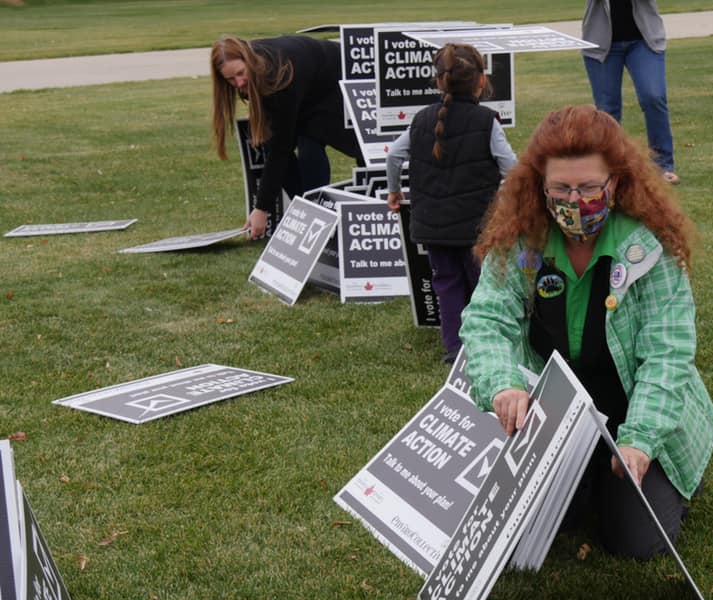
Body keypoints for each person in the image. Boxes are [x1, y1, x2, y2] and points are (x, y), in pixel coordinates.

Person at [459, 105, 713, 560]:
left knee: (637, 545)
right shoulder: (522, 243)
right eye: (561, 188)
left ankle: (656, 473)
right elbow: (486, 321)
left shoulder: (649, 247)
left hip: (632, 408)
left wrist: (639, 439)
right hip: (558, 415)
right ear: (540, 185)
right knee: (552, 521)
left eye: (590, 187)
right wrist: (503, 384)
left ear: (616, 182)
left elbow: (667, 355)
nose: (575, 200)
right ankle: (587, 476)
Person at [386, 43, 516, 364]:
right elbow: (511, 167)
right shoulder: (486, 122)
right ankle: (484, 341)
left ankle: (455, 350)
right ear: (481, 81)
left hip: (432, 226)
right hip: (476, 226)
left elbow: (394, 155)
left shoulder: (421, 120)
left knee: (446, 284)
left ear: (439, 81)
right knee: (482, 284)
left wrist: (394, 192)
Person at [211, 35, 363, 239]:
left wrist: (261, 208)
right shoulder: (258, 75)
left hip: (335, 76)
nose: (238, 83)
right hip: (305, 82)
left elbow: (281, 148)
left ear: (249, 61)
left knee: (310, 142)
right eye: (231, 79)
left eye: (240, 73)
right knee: (270, 143)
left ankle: (316, 218)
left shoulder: (277, 75)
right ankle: (306, 212)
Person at [581, 0, 680, 184]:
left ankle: (662, 165)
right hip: (601, 43)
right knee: (607, 109)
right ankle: (610, 168)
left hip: (644, 40)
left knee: (653, 96)